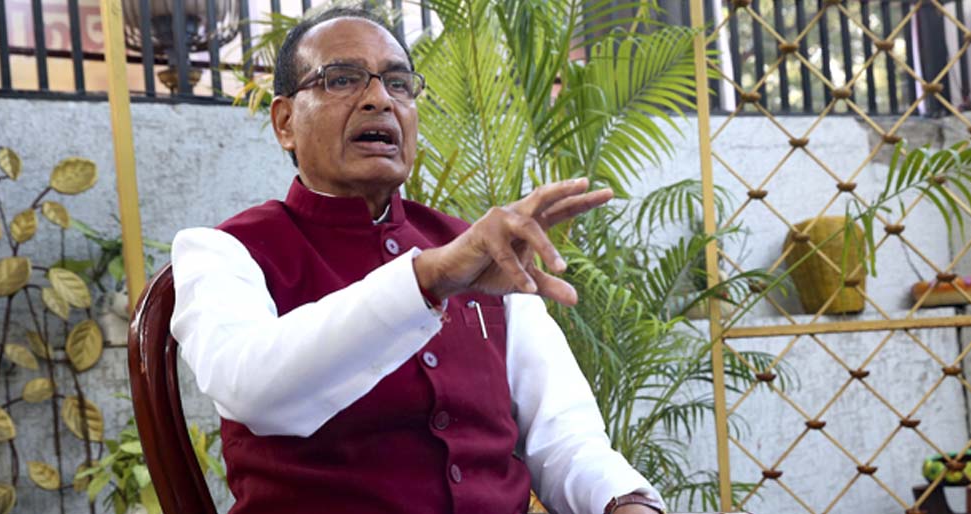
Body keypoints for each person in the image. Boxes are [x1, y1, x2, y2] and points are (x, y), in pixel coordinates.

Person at [170, 7, 665, 514]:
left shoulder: (477, 248)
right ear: (285, 122)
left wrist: (626, 503)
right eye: (342, 79)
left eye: (398, 83)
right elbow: (250, 388)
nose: (380, 99)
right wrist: (427, 279)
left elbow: (565, 439)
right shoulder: (224, 250)